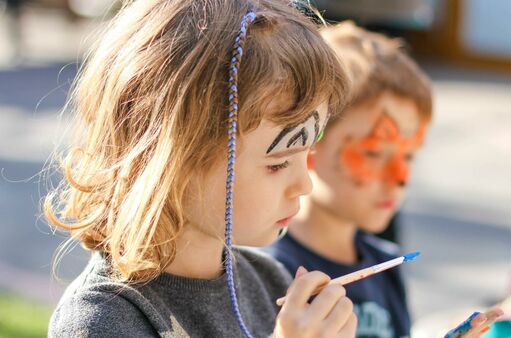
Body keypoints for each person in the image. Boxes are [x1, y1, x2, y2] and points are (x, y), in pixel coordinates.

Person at [44, 1, 357, 337]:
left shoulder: (270, 285)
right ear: (175, 158)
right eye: (278, 162)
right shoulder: (101, 320)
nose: (304, 185)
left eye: (307, 153)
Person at [264, 22, 500, 338]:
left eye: (408, 156)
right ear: (307, 149)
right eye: (374, 153)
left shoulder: (386, 264)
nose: (400, 178)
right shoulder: (268, 274)